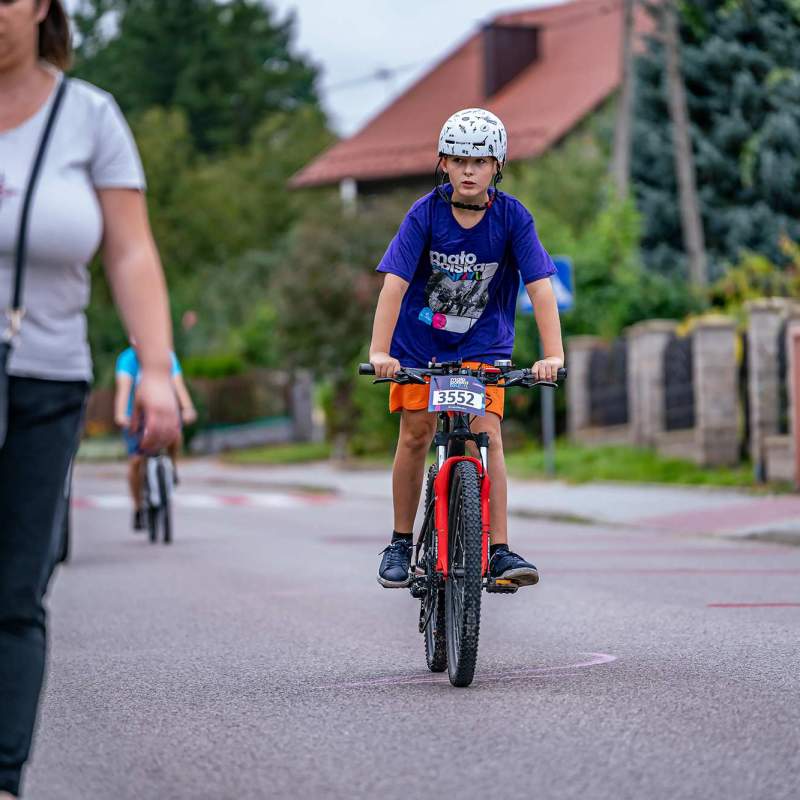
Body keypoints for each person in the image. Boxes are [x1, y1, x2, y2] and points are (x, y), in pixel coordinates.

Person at [0, 2, 180, 797]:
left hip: (44, 379)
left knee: (14, 591)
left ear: (40, 6)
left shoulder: (90, 116)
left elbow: (131, 251)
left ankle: (3, 776)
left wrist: (158, 370)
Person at [369, 108, 564, 590]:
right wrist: (380, 352)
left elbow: (540, 287)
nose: (469, 170)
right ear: (443, 164)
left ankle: (498, 549)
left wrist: (552, 355)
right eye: (459, 160)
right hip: (418, 346)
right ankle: (398, 542)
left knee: (488, 436)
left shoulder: (513, 217)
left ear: (499, 164)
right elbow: (393, 285)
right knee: (415, 435)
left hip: (483, 345)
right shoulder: (425, 214)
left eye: (480, 160)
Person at [114, 341, 197, 530]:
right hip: (135, 418)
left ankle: (172, 467)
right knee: (136, 461)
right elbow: (123, 390)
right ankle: (137, 507)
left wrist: (187, 407)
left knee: (176, 435)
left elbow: (178, 385)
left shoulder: (165, 357)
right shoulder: (127, 360)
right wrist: (120, 414)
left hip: (161, 414)